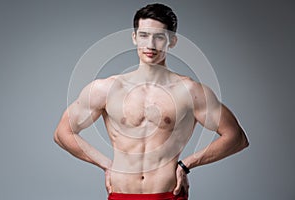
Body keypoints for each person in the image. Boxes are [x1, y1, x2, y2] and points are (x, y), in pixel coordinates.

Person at [54, 3, 249, 200]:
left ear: (172, 41)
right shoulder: (106, 89)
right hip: (122, 194)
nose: (150, 44)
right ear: (134, 38)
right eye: (144, 35)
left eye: (159, 37)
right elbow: (62, 133)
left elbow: (236, 137)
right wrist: (106, 164)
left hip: (168, 194)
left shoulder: (190, 91)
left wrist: (186, 164)